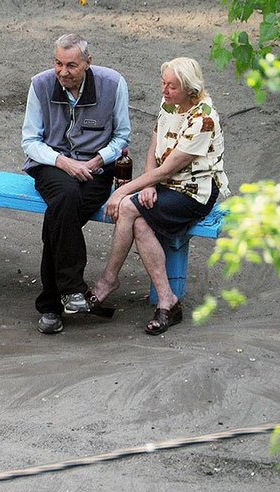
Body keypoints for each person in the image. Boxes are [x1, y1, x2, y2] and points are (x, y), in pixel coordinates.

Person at [89, 57, 231, 335]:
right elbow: (154, 153)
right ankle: (168, 301)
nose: (164, 91)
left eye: (172, 86)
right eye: (163, 83)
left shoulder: (203, 119)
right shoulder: (170, 105)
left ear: (190, 89)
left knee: (129, 208)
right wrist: (148, 187)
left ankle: (107, 280)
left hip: (193, 191)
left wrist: (124, 191)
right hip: (165, 184)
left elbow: (169, 168)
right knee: (141, 222)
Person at [21, 33, 131, 334]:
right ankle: (72, 289)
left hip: (96, 168)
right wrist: (63, 162)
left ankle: (51, 306)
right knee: (65, 195)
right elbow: (30, 141)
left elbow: (122, 136)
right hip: (51, 164)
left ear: (88, 63)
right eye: (58, 63)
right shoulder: (40, 84)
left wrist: (97, 161)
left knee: (58, 216)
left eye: (71, 65)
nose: (62, 72)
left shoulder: (113, 84)